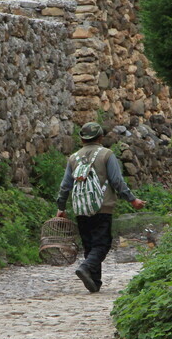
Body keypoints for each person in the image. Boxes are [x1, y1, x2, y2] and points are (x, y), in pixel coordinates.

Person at [56, 122, 145, 292]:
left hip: (81, 208)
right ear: (101, 137)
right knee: (102, 244)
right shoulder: (106, 155)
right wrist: (132, 200)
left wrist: (61, 207)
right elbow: (117, 181)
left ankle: (94, 282)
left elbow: (65, 186)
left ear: (82, 139)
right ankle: (86, 267)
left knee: (89, 245)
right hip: (102, 207)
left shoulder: (73, 158)